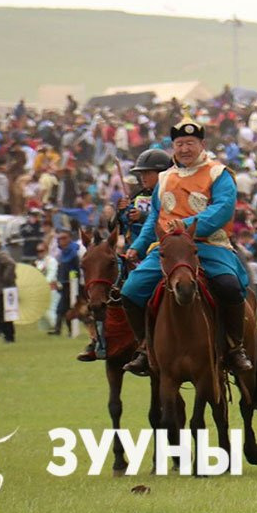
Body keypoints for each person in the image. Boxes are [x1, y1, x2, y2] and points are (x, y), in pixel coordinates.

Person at [120, 116, 254, 376]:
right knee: (130, 291)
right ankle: (145, 348)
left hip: (209, 245)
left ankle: (235, 347)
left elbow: (222, 210)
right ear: (173, 147)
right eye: (179, 144)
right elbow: (156, 219)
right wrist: (137, 245)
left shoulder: (219, 173)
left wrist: (184, 226)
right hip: (168, 249)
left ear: (202, 144)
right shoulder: (165, 178)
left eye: (190, 143)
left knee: (230, 286)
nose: (184, 149)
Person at [80, 147, 170, 362]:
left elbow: (161, 220)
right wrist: (121, 212)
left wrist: (142, 215)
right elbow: (116, 226)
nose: (143, 178)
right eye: (141, 174)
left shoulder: (170, 195)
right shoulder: (135, 195)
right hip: (132, 252)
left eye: (147, 173)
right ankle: (100, 341)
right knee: (104, 289)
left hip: (160, 249)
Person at [49, 229, 80, 337]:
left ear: (69, 238)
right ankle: (65, 330)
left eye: (64, 238)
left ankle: (62, 330)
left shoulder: (73, 252)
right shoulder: (63, 252)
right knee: (65, 308)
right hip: (64, 283)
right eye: (59, 239)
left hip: (71, 285)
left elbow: (75, 269)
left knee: (63, 308)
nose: (61, 241)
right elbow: (61, 268)